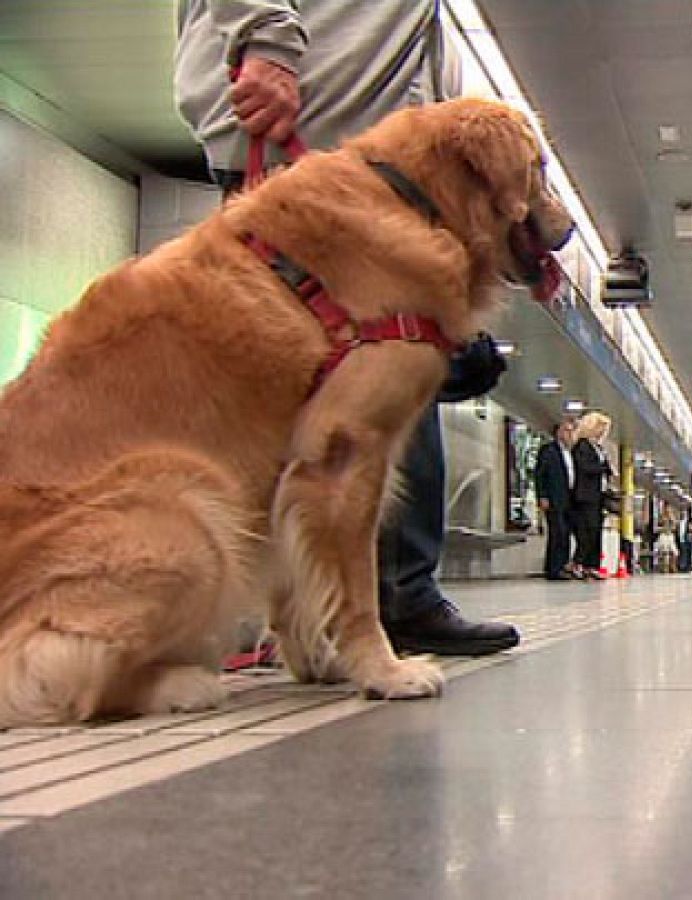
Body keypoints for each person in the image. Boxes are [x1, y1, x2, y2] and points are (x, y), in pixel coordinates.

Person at [173, 0, 518, 656]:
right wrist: (267, 39)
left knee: (396, 373)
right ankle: (278, 605)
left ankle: (383, 596)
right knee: (288, 390)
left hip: (370, 141)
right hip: (303, 122)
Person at [570, 412, 614, 580]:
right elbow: (585, 467)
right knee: (586, 531)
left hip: (598, 496)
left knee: (596, 531)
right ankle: (578, 562)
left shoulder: (598, 448)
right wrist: (603, 468)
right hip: (585, 496)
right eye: (600, 428)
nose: (602, 433)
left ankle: (592, 565)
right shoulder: (582, 446)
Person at [533, 420, 577, 580]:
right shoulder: (549, 450)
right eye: (566, 431)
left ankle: (563, 565)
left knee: (565, 534)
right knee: (557, 532)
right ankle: (553, 568)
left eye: (572, 431)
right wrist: (542, 495)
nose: (570, 434)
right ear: (558, 432)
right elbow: (540, 474)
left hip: (568, 499)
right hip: (554, 498)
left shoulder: (570, 453)